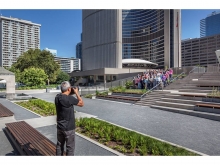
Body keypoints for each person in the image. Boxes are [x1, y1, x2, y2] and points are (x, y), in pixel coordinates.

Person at [55, 81, 84, 156]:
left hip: (60, 127)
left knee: (59, 145)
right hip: (69, 128)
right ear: (68, 89)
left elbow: (65, 96)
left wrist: (71, 91)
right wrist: (77, 92)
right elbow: (81, 103)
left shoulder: (57, 97)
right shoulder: (70, 99)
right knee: (70, 148)